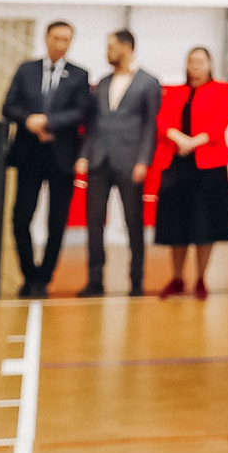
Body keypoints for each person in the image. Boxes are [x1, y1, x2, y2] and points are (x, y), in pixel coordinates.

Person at [2, 21, 92, 299]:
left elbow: (81, 112)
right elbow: (8, 106)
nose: (60, 44)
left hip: (61, 155)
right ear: (46, 38)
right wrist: (29, 121)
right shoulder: (26, 69)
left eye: (66, 39)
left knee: (57, 221)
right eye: (56, 38)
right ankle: (29, 273)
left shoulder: (79, 75)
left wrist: (48, 122)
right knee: (20, 218)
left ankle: (45, 276)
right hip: (29, 154)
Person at [79, 30, 163, 298]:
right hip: (98, 159)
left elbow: (151, 124)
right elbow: (93, 124)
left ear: (127, 48)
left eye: (112, 46)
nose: (107, 51)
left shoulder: (149, 83)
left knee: (133, 222)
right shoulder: (102, 82)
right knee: (94, 222)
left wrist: (143, 160)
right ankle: (95, 279)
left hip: (130, 161)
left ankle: (136, 280)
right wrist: (84, 154)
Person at [154, 46, 228, 300]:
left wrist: (194, 142)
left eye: (201, 62)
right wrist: (180, 139)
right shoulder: (175, 92)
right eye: (192, 61)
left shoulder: (222, 89)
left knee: (205, 224)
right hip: (177, 163)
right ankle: (177, 277)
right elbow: (163, 120)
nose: (196, 66)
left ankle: (201, 279)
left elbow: (221, 120)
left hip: (208, 165)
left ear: (210, 64)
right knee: (176, 225)